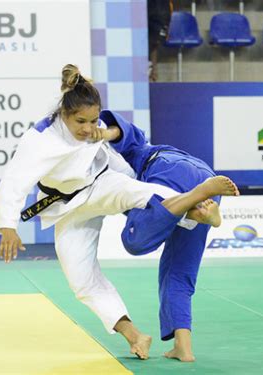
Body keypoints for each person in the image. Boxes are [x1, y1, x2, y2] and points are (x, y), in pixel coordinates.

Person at [0, 64, 239, 360]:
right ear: (63, 115)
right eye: (80, 122)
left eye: (93, 120)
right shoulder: (40, 139)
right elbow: (14, 180)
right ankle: (135, 336)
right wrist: (8, 225)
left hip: (102, 182)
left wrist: (107, 131)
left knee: (143, 193)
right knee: (81, 279)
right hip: (68, 208)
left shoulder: (101, 131)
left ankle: (196, 205)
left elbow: (123, 150)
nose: (87, 129)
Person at [99, 109, 237, 362]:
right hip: (205, 178)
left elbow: (121, 130)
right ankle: (183, 348)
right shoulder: (127, 156)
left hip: (168, 172)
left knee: (134, 239)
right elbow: (121, 130)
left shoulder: (134, 150)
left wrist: (104, 133)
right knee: (178, 271)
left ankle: (192, 204)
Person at [148, 0, 173, 82]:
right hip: (138, 7)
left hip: (160, 10)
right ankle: (150, 70)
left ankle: (153, 70)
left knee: (155, 40)